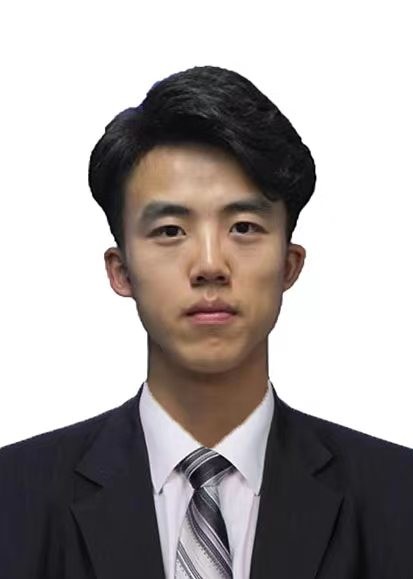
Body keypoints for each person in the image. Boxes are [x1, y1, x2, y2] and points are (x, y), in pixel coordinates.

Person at [0, 65, 412, 579]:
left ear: (289, 265)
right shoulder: (13, 498)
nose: (211, 264)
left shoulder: (399, 497)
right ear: (121, 270)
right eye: (171, 231)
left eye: (244, 227)